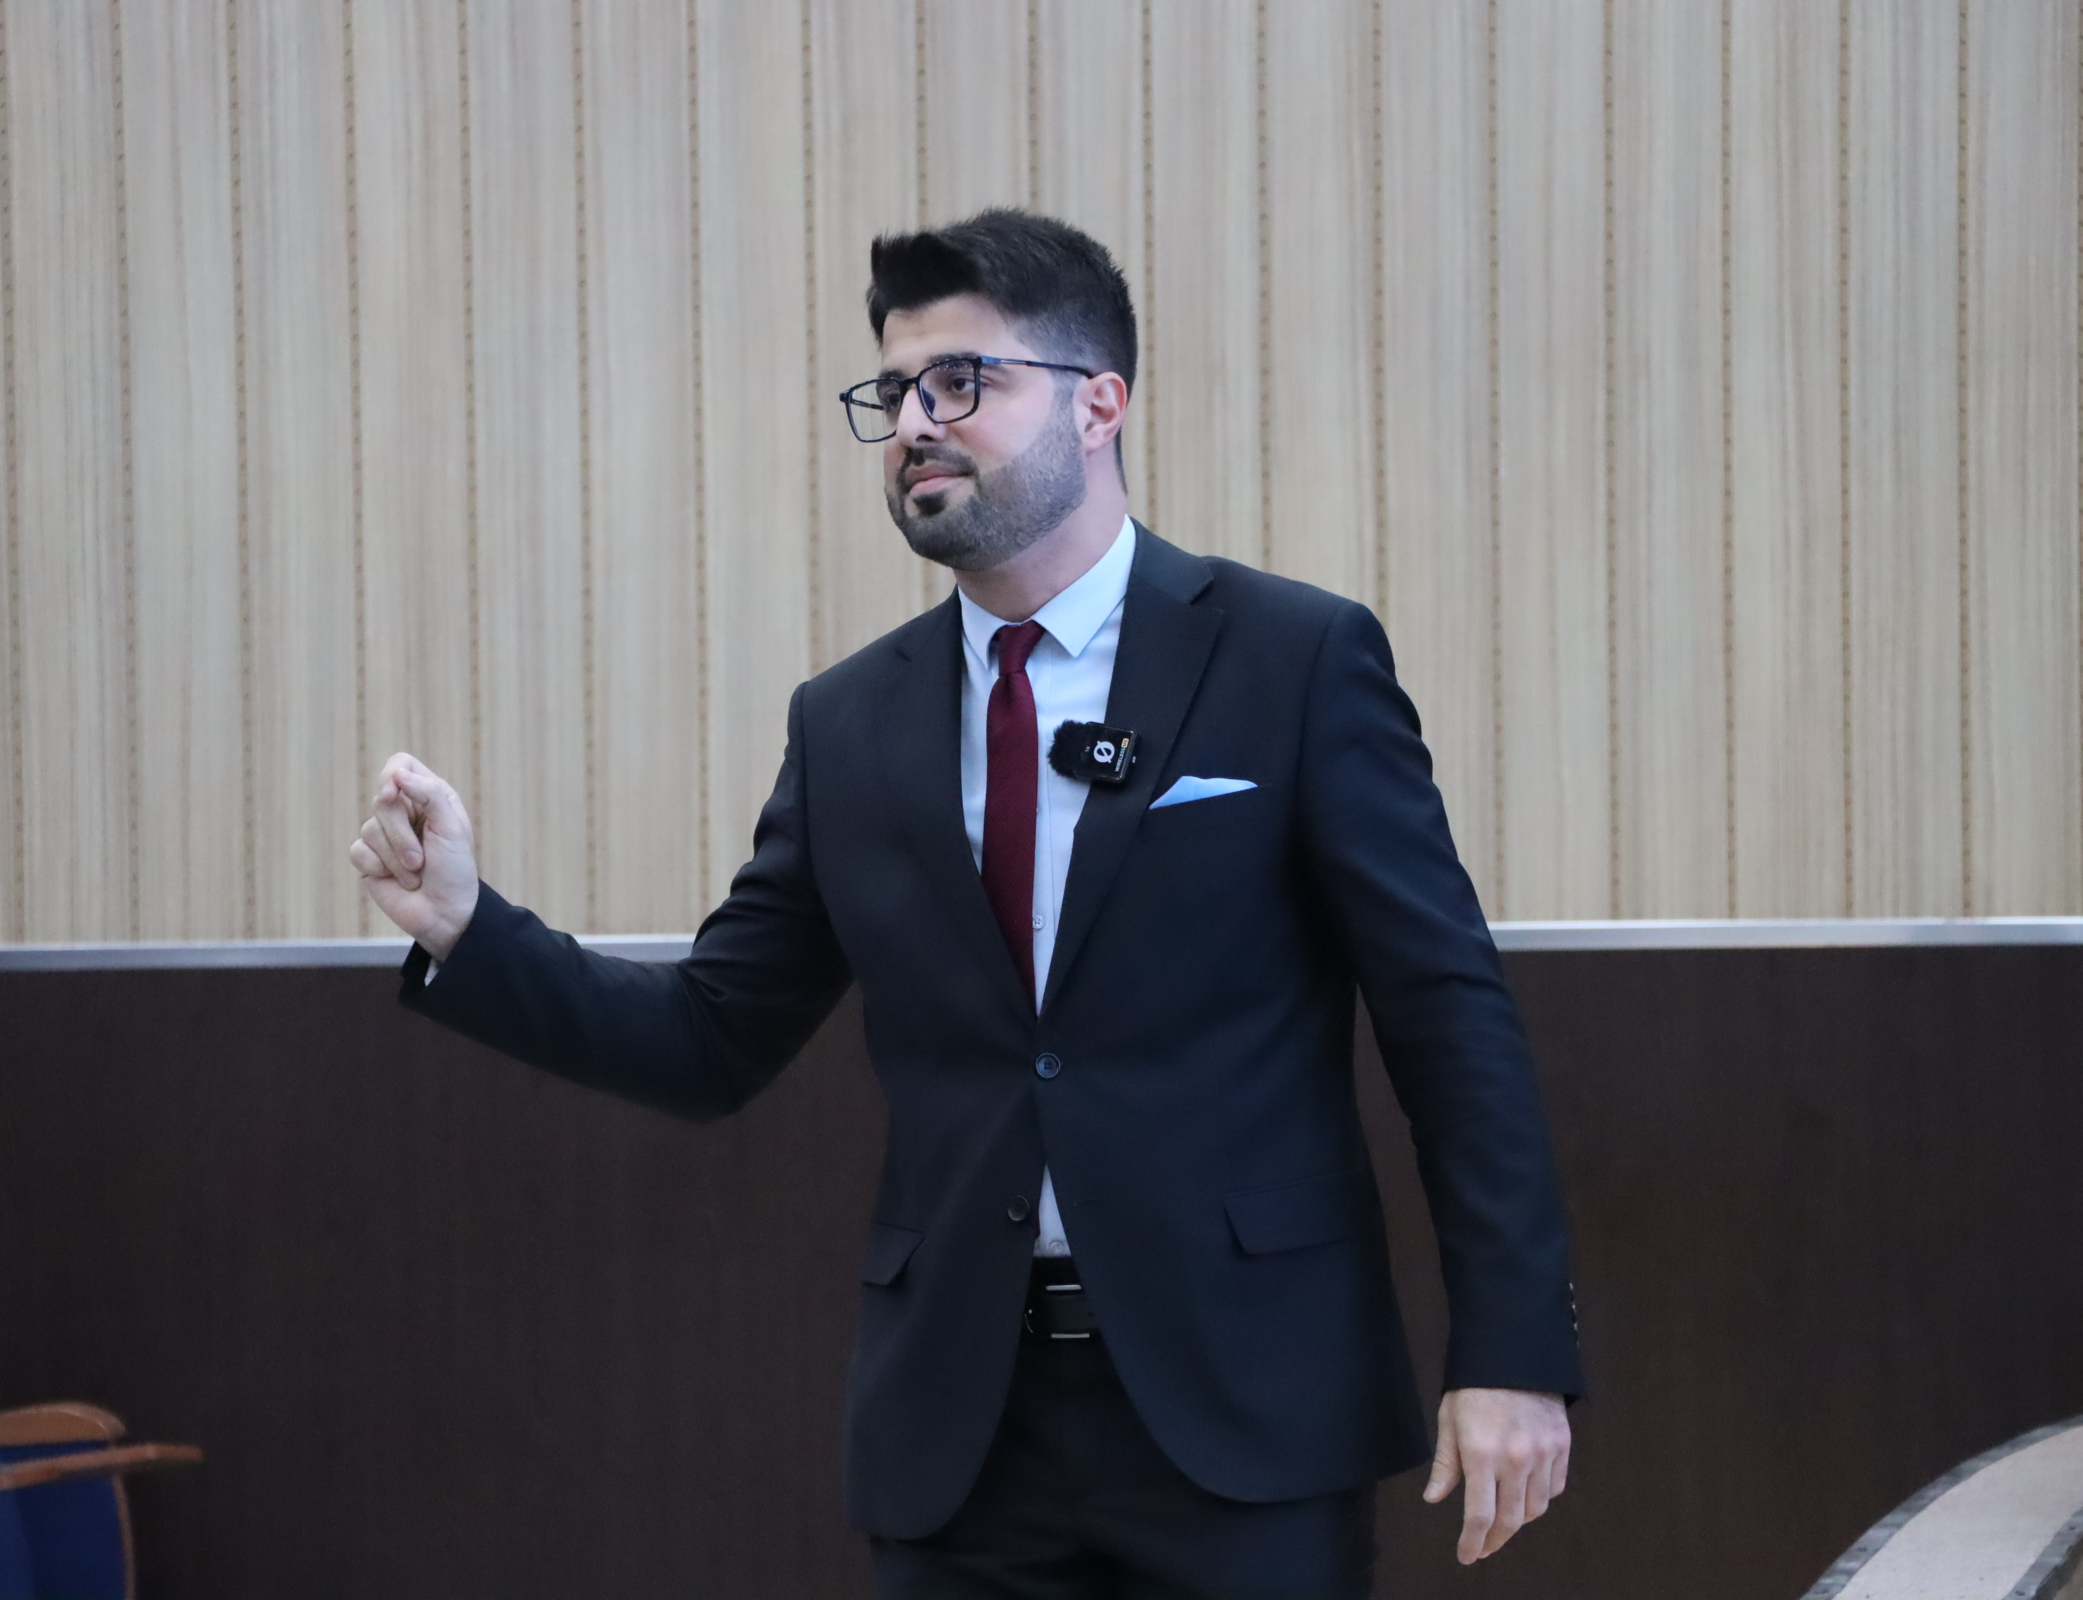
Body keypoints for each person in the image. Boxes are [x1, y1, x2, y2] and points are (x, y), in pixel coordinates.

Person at [351, 208, 1581, 1599]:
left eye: (961, 383)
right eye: (896, 394)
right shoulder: (850, 722)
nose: (917, 426)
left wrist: (1513, 1351)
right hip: (961, 1430)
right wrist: (470, 928)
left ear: (1099, 405)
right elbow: (709, 1039)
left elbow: (1449, 1022)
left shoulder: (1290, 658)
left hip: (1247, 1405)